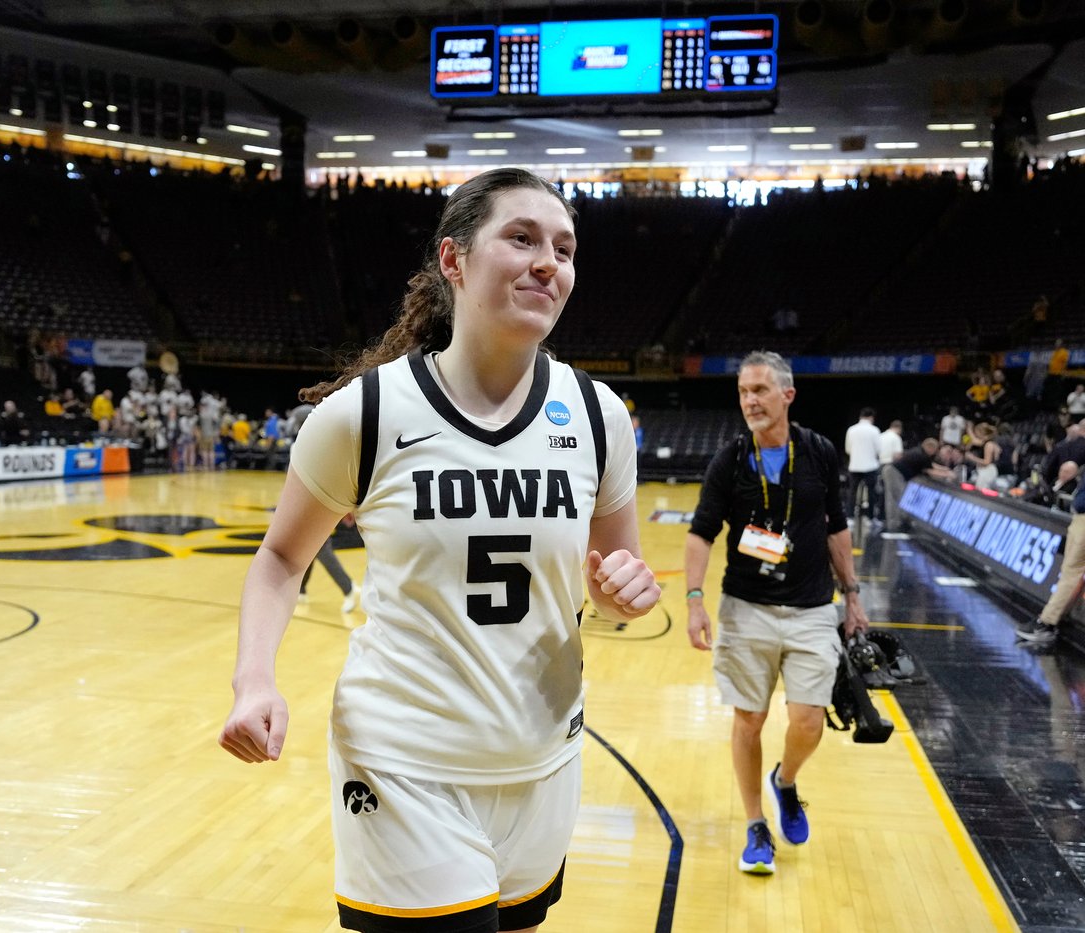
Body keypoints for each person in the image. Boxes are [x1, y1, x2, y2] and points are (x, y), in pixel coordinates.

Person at [218, 168, 658, 933]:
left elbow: (617, 580)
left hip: (542, 759)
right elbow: (281, 559)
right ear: (454, 262)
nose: (548, 261)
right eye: (520, 238)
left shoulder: (597, 416)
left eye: (564, 247)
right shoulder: (369, 412)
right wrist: (253, 681)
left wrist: (625, 597)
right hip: (403, 760)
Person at [685, 350, 870, 876]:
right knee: (750, 719)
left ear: (787, 395)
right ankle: (755, 825)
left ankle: (785, 782)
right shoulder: (730, 459)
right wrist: (695, 600)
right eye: (744, 392)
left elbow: (836, 525)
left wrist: (852, 595)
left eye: (761, 390)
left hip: (812, 608)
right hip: (746, 608)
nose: (750, 401)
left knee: (809, 720)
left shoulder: (818, 452)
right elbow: (701, 532)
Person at [1019, 479, 1085, 650]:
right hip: (1079, 518)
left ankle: (1046, 623)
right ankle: (1056, 617)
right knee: (1070, 572)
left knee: (1072, 574)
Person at [844, 407, 880, 522]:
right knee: (871, 492)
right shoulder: (875, 430)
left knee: (852, 492)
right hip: (870, 466)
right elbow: (878, 449)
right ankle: (870, 517)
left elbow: (848, 449)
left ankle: (849, 517)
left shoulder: (851, 430)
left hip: (855, 466)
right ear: (871, 417)